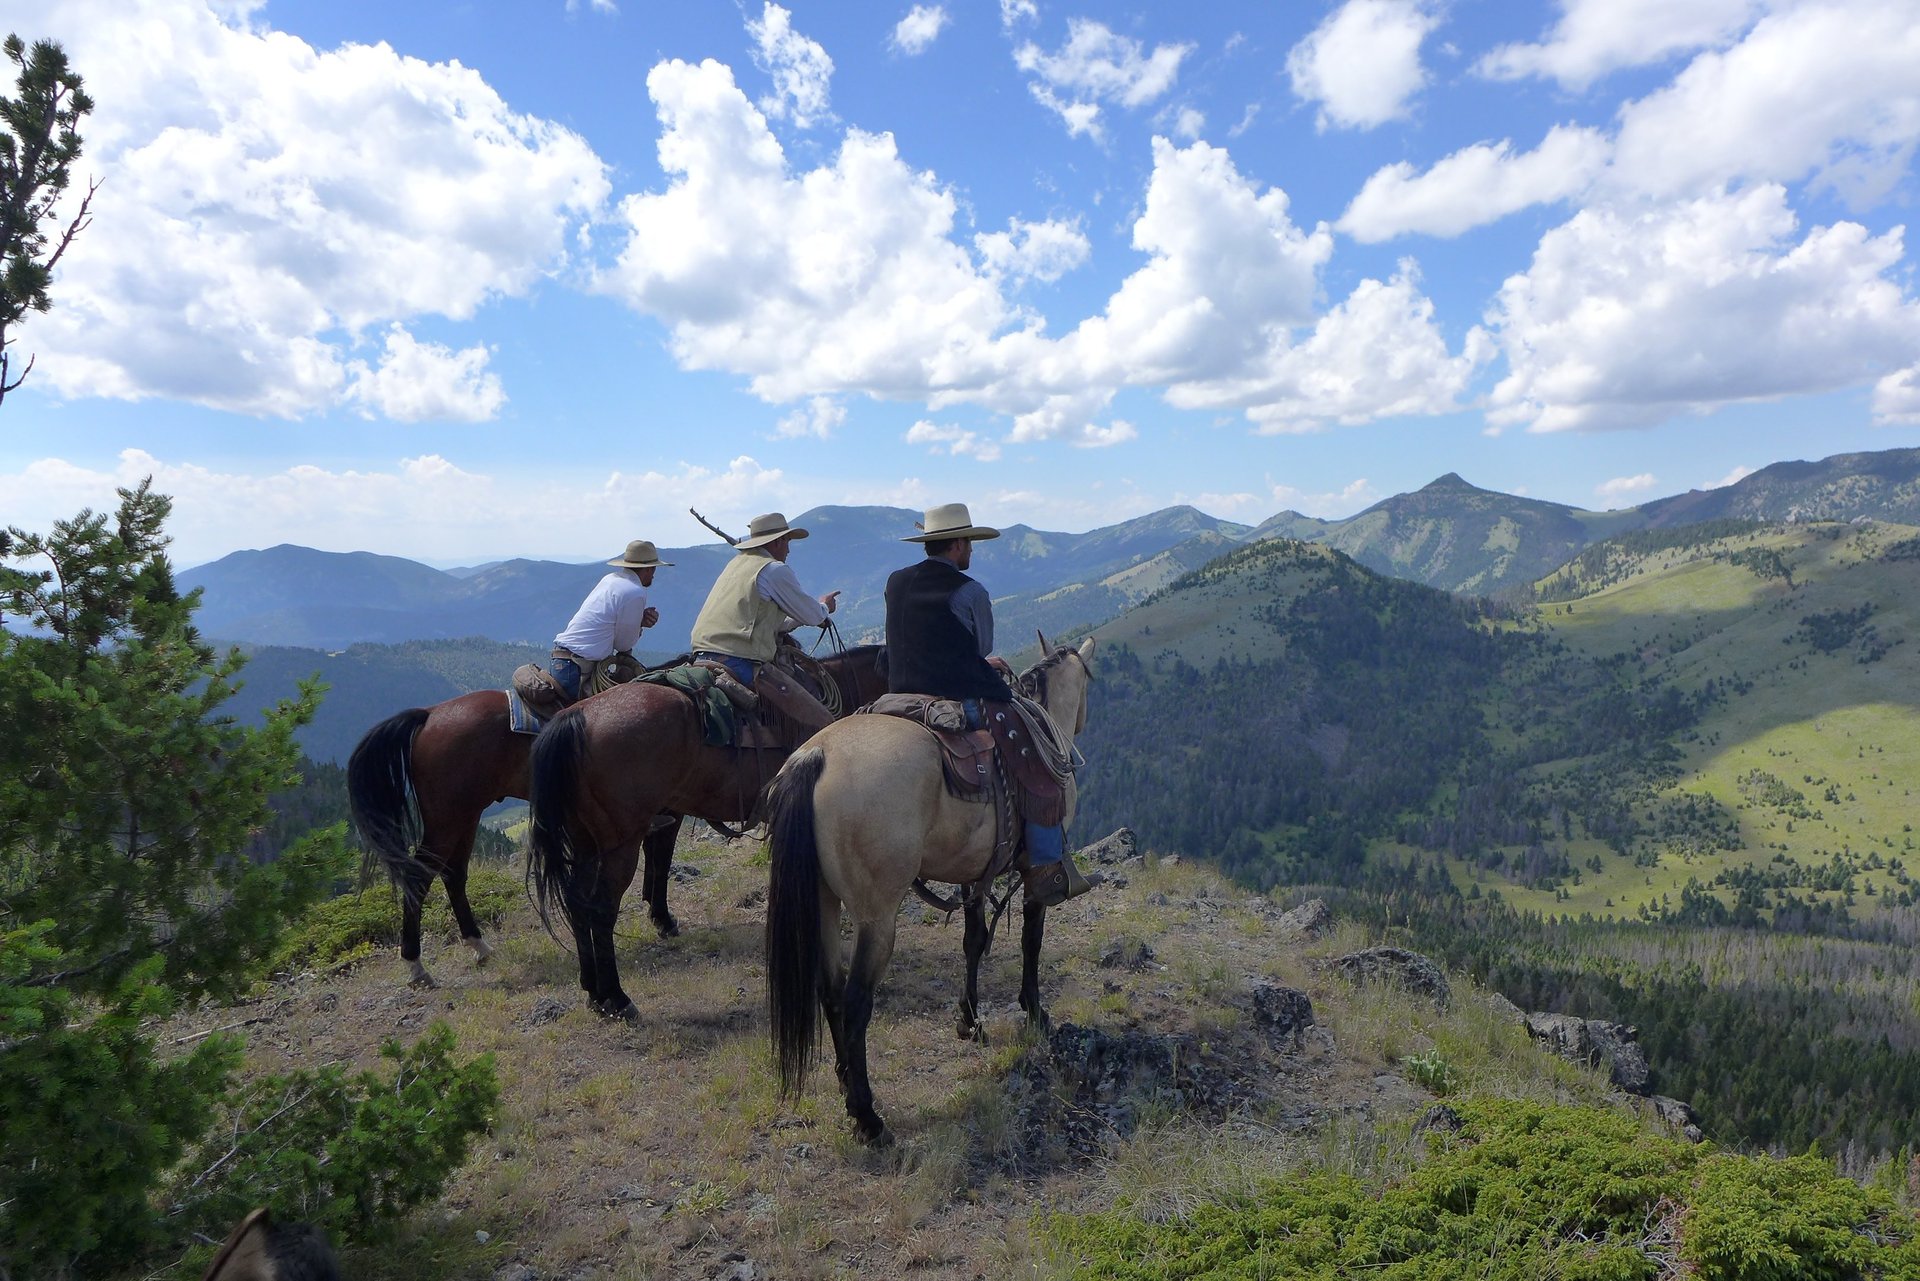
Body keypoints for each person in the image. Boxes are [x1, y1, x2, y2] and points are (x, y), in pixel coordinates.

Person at [883, 502, 1096, 907]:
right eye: (970, 545)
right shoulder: (970, 591)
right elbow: (980, 646)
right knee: (1042, 756)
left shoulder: (896, 582)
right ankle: (1047, 866)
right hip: (959, 697)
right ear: (959, 544)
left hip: (899, 694)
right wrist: (978, 664)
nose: (972, 553)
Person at [687, 511, 841, 724]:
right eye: (787, 541)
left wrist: (794, 621)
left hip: (703, 655)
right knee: (821, 720)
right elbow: (813, 615)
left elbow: (761, 620)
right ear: (778, 541)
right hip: (741, 661)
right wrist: (825, 606)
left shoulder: (735, 565)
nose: (788, 549)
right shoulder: (773, 570)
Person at [548, 538, 669, 700]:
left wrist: (637, 620)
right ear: (649, 569)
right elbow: (623, 645)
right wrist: (639, 625)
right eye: (654, 569)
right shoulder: (635, 592)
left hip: (566, 661)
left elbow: (610, 621)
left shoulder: (611, 579)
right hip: (577, 667)